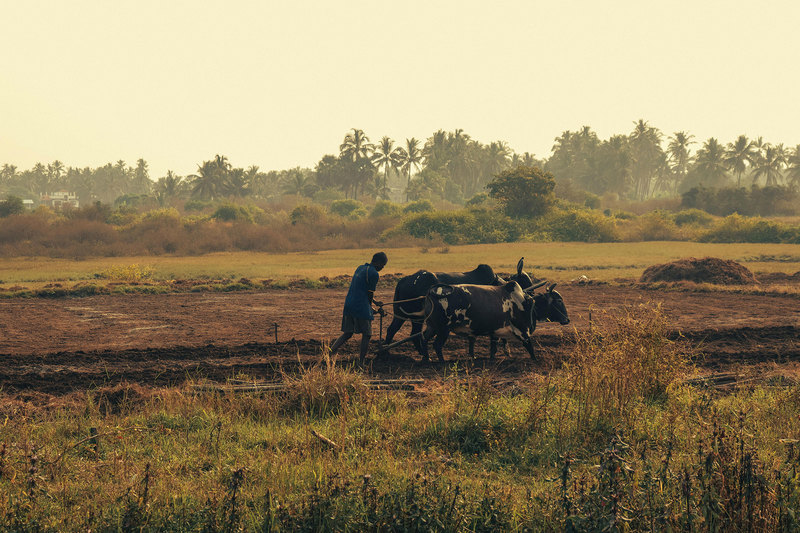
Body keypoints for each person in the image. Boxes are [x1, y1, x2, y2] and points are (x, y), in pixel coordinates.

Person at [329, 252, 388, 361]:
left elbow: (362, 289)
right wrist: (371, 308)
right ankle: (361, 361)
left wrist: (375, 303)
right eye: (383, 265)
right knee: (367, 334)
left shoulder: (360, 268)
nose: (382, 268)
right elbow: (369, 294)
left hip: (349, 304)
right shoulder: (374, 274)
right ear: (378, 263)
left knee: (348, 333)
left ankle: (330, 352)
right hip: (360, 306)